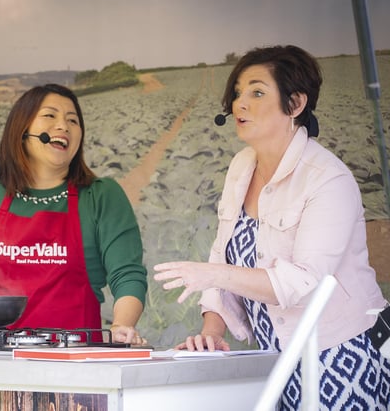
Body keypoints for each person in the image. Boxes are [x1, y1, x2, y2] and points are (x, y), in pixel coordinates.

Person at [153, 45, 389, 409]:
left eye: (257, 92)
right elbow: (223, 257)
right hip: (277, 358)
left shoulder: (328, 179)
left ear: (295, 104)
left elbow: (300, 282)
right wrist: (212, 333)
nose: (239, 104)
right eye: (237, 93)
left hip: (338, 353)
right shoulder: (240, 167)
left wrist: (212, 273)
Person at [0, 83, 147, 344]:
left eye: (72, 120)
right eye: (50, 116)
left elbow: (127, 276)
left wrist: (122, 326)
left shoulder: (101, 196)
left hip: (75, 364)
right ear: (23, 129)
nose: (63, 126)